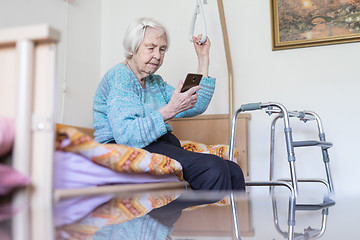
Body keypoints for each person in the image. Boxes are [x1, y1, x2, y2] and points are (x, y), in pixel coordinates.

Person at [93, 17, 245, 191]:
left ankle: (233, 218)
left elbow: (195, 104)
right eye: (150, 48)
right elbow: (127, 136)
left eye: (162, 49)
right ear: (131, 49)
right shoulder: (120, 77)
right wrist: (169, 110)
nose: (157, 55)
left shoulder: (154, 81)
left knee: (233, 171)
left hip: (158, 145)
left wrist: (203, 58)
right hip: (124, 150)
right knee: (213, 168)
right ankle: (205, 218)